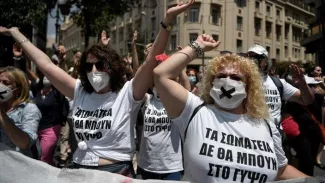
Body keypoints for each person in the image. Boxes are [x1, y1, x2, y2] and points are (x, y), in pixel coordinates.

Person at [0, 0, 194, 177]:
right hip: (78, 170)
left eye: (100, 65)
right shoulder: (79, 91)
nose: (94, 71)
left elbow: (152, 59)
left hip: (115, 172)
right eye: (89, 66)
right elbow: (45, 64)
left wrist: (168, 19)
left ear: (112, 67)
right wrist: (16, 33)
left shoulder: (128, 93)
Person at [153, 34, 309, 182]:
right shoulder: (194, 112)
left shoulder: (267, 125)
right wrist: (197, 46)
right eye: (221, 76)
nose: (227, 81)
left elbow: (281, 170)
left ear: (249, 87)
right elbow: (161, 74)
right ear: (211, 82)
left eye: (235, 77)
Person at [246, 44, 313, 132]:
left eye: (257, 57)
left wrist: (303, 84)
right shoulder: (239, 81)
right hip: (250, 134)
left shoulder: (278, 83)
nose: (252, 60)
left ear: (265, 62)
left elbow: (306, 100)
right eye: (249, 57)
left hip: (274, 137)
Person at [0, 66, 41, 158]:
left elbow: (24, 143)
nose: (0, 85)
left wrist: (1, 114)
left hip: (19, 166)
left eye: (6, 83)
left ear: (18, 89)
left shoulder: (29, 109)